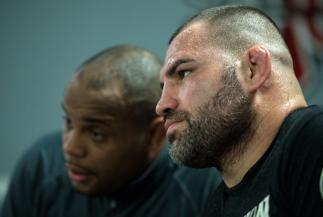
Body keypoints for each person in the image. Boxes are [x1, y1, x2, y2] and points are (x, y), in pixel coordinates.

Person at [1, 45, 221, 217]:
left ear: (155, 136)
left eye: (97, 134)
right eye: (69, 122)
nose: (70, 148)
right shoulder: (41, 166)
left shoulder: (203, 190)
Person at [156, 5, 323, 217]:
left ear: (253, 68)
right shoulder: (214, 207)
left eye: (184, 73)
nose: (161, 105)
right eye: (162, 88)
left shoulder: (313, 140)